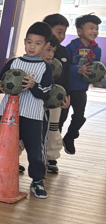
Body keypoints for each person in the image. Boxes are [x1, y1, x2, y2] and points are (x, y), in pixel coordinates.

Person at [0, 22, 53, 199]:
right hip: (8, 115)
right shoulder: (13, 63)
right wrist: (1, 88)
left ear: (45, 46)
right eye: (29, 42)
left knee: (35, 151)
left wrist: (33, 85)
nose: (32, 47)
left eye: (38, 44)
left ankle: (37, 180)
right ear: (24, 41)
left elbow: (45, 93)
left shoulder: (45, 68)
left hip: (32, 116)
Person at [60, 13, 102, 154]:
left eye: (96, 28)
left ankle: (70, 137)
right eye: (91, 28)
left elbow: (95, 69)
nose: (94, 31)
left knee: (79, 117)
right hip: (67, 89)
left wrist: (97, 78)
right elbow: (64, 67)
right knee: (61, 117)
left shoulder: (97, 50)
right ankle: (53, 144)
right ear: (79, 31)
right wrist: (77, 70)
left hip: (81, 89)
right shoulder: (71, 47)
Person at [42, 14, 72, 175]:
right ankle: (14, 156)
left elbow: (66, 76)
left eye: (64, 32)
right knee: (27, 128)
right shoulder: (38, 49)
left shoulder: (64, 51)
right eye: (59, 31)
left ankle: (51, 158)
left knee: (54, 127)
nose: (61, 36)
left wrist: (66, 95)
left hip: (55, 98)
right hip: (36, 96)